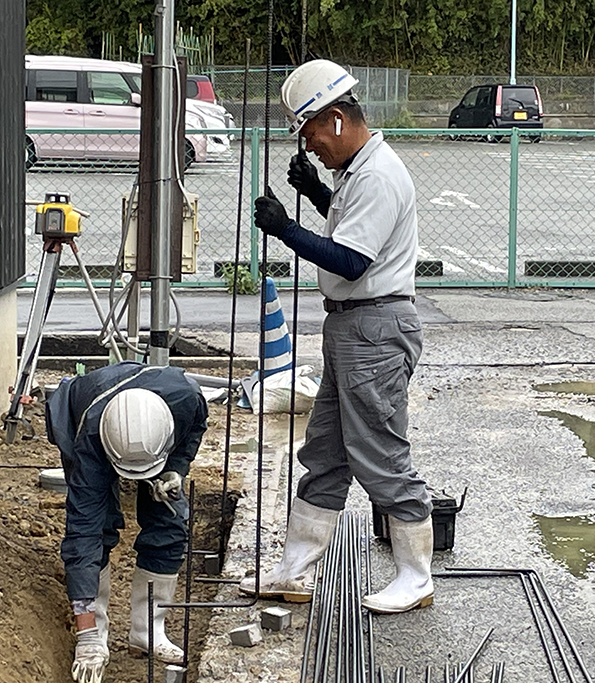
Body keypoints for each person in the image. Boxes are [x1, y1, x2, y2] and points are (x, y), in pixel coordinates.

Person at [241, 59, 433, 615]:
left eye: (312, 135)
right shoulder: (357, 172)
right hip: (354, 327)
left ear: (338, 120)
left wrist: (287, 229)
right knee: (325, 452)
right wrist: (320, 194)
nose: (312, 147)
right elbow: (355, 230)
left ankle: (415, 576)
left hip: (374, 326)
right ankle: (295, 571)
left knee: (378, 451)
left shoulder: (376, 174)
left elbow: (351, 259)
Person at [45, 361, 208, 683]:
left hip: (156, 439)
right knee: (98, 525)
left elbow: (193, 431)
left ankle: (148, 630)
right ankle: (96, 634)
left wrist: (175, 467)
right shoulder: (89, 442)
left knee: (170, 522)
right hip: (85, 422)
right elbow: (82, 535)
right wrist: (85, 631)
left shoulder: (186, 399)